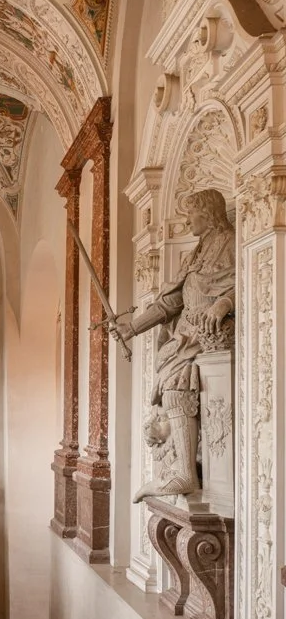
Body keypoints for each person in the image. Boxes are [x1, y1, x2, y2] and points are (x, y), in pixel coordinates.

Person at [117, 188, 235, 502]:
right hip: (186, 332)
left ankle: (184, 472)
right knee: (171, 384)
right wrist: (134, 327)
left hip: (209, 332)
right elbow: (170, 301)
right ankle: (180, 465)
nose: (187, 220)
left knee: (177, 383)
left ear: (208, 213)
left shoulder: (231, 243)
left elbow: (249, 277)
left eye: (192, 214)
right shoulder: (197, 251)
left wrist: (224, 302)